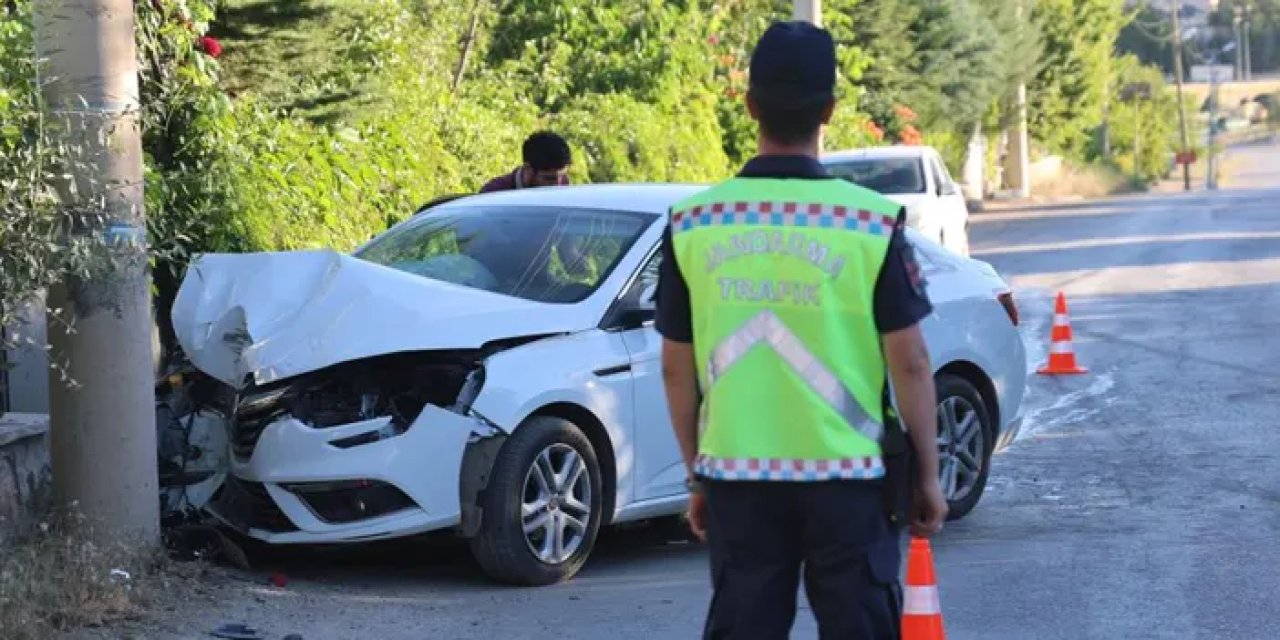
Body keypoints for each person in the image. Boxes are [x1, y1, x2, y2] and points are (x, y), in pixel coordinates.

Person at [654, 20, 948, 640]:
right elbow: (911, 362)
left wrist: (696, 473)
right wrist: (926, 475)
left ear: (750, 104)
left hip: (738, 481)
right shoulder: (869, 223)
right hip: (849, 483)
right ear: (831, 111)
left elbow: (676, 367)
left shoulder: (693, 222)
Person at [479, 131, 573, 193]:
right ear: (528, 169)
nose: (557, 186)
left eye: (562, 176)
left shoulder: (562, 185)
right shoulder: (494, 194)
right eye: (549, 179)